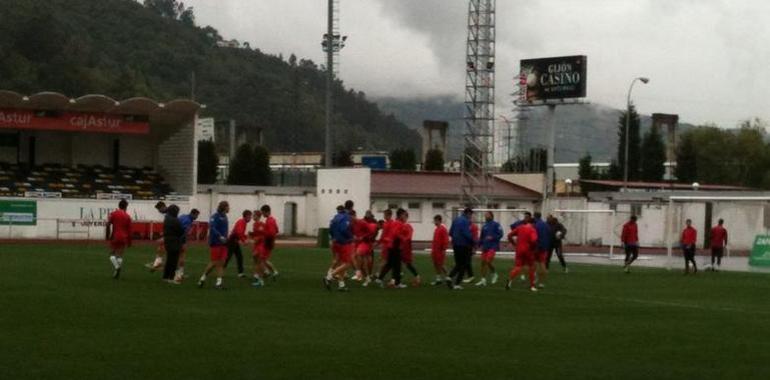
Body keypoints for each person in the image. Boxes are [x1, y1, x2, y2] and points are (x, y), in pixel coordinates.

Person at [198, 201, 229, 289]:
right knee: (214, 263)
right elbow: (212, 228)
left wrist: (226, 237)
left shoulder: (225, 216)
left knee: (221, 263)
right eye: (228, 206)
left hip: (224, 243)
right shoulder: (215, 217)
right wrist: (220, 236)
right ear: (224, 207)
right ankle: (203, 278)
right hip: (216, 243)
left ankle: (218, 283)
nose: (229, 208)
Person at [376, 208, 409, 289]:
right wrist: (403, 238)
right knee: (396, 265)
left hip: (391, 245)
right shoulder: (398, 223)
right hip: (395, 246)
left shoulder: (395, 222)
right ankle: (397, 283)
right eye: (404, 215)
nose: (405, 217)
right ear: (401, 215)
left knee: (390, 264)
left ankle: (380, 279)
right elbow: (395, 233)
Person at [506, 213, 538, 292]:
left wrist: (514, 244)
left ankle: (510, 281)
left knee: (518, 266)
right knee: (531, 267)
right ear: (533, 224)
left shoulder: (520, 227)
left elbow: (509, 235)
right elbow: (534, 240)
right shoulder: (532, 229)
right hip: (528, 250)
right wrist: (533, 248)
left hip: (519, 249)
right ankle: (532, 286)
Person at [325, 205, 354, 291]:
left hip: (335, 242)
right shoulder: (346, 217)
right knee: (347, 263)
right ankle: (329, 276)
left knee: (340, 262)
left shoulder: (335, 217)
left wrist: (334, 237)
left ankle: (341, 285)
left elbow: (330, 230)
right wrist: (351, 237)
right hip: (344, 243)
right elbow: (344, 229)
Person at [447, 207, 475, 290]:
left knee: (458, 264)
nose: (471, 216)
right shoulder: (465, 221)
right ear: (468, 214)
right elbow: (467, 234)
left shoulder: (456, 220)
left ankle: (449, 277)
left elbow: (450, 232)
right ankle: (457, 284)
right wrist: (473, 242)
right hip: (463, 245)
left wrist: (456, 239)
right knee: (464, 265)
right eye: (471, 215)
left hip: (455, 245)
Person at [476, 211, 503, 287]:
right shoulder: (484, 226)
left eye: (487, 215)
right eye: (485, 215)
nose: (486, 216)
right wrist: (478, 245)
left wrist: (493, 237)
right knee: (483, 263)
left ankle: (494, 274)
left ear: (491, 216)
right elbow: (481, 237)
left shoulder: (496, 224)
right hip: (485, 246)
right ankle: (483, 280)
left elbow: (501, 234)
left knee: (488, 261)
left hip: (493, 246)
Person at [106, 199, 132, 279]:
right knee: (120, 255)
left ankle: (117, 267)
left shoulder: (113, 214)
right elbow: (129, 230)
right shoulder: (128, 217)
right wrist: (129, 242)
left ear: (119, 206)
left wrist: (107, 235)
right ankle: (116, 271)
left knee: (112, 254)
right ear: (126, 207)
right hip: (124, 237)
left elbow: (108, 224)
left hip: (115, 236)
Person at [352, 210, 378, 286]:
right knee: (363, 258)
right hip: (364, 242)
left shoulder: (367, 222)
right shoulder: (363, 222)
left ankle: (361, 273)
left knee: (363, 257)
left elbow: (372, 232)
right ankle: (365, 275)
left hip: (367, 243)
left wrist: (363, 237)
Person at [174, 208, 199, 282]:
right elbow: (184, 231)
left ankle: (180, 273)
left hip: (175, 237)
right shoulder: (188, 221)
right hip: (180, 239)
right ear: (193, 214)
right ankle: (178, 275)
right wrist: (187, 235)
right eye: (196, 215)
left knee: (178, 256)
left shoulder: (182, 216)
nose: (197, 217)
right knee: (181, 256)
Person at [225, 210, 252, 278]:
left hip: (235, 241)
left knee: (239, 257)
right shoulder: (242, 222)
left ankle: (240, 273)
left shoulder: (243, 222)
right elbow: (239, 233)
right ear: (245, 216)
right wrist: (244, 241)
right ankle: (221, 270)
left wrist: (245, 237)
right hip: (232, 241)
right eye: (249, 216)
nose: (250, 218)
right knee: (228, 257)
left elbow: (241, 233)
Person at [161, 205, 184, 284]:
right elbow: (180, 231)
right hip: (175, 241)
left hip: (167, 240)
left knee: (169, 259)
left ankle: (165, 276)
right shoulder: (175, 220)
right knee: (174, 260)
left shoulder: (167, 218)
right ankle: (171, 277)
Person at [258, 204, 280, 280]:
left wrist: (263, 232)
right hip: (270, 242)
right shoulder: (272, 220)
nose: (262, 214)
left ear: (265, 212)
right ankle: (273, 272)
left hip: (268, 242)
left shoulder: (269, 221)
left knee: (261, 259)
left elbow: (271, 233)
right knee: (263, 259)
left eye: (262, 212)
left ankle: (264, 275)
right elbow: (276, 230)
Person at [399, 211, 420, 287]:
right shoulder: (400, 225)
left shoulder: (408, 226)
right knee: (399, 263)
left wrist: (402, 238)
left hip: (406, 248)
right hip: (400, 247)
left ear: (406, 217)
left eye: (403, 216)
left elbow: (409, 237)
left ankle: (417, 277)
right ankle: (398, 280)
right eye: (401, 215)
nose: (402, 217)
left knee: (408, 264)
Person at [146, 201, 168, 271]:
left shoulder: (169, 214)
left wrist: (165, 235)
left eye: (159, 209)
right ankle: (158, 263)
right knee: (161, 247)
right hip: (170, 234)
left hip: (172, 235)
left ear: (163, 207)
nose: (159, 211)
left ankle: (159, 263)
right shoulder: (168, 213)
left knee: (163, 247)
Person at [532, 212, 552, 288]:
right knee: (542, 264)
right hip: (545, 247)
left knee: (535, 263)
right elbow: (549, 234)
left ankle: (535, 279)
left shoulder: (536, 225)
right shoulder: (546, 225)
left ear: (534, 217)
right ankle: (541, 283)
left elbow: (535, 237)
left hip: (537, 247)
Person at [430, 215, 450, 285]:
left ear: (439, 221)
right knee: (436, 264)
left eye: (436, 220)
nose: (435, 222)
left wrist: (444, 249)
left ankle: (449, 276)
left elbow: (446, 240)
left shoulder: (443, 229)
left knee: (441, 264)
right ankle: (438, 279)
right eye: (434, 220)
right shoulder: (436, 229)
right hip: (435, 250)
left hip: (440, 250)